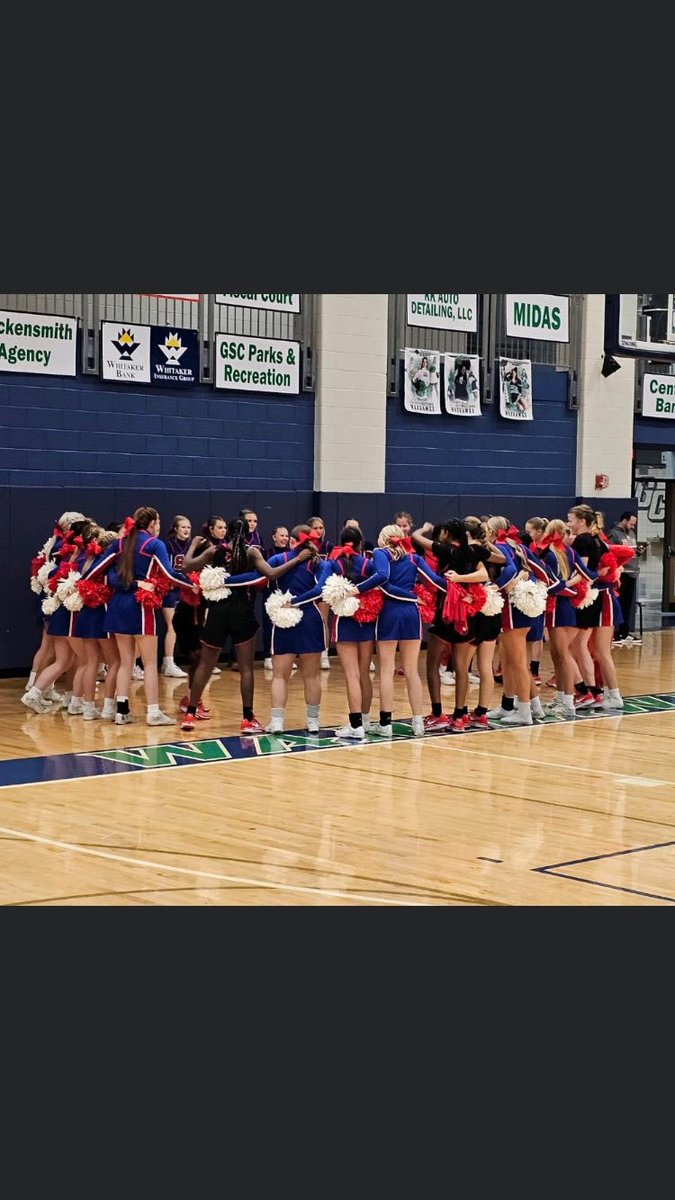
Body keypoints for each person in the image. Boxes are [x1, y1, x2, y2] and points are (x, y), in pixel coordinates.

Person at [180, 519, 311, 735]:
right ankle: (247, 718)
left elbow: (186, 566)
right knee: (246, 668)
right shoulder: (251, 553)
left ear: (228, 533)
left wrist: (193, 544)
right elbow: (271, 574)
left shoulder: (215, 551)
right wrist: (297, 559)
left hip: (217, 612)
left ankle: (190, 714)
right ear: (248, 533)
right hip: (241, 612)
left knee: (205, 664)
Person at [86, 507, 194, 726]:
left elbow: (92, 574)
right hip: (140, 605)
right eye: (159, 523)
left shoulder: (119, 543)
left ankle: (122, 711)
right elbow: (168, 572)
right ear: (153, 523)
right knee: (150, 663)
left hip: (117, 606)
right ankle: (153, 713)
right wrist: (192, 586)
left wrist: (122, 582)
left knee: (126, 662)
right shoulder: (155, 544)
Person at [160, 515, 192, 678]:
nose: (186, 530)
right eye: (183, 527)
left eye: (188, 527)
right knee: (172, 626)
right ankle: (168, 662)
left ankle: (192, 660)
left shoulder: (191, 547)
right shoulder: (167, 546)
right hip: (171, 591)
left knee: (186, 627)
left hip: (186, 590)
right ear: (175, 529)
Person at [608, 511, 643, 645]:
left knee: (628, 605)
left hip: (632, 572)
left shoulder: (632, 534)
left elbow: (631, 551)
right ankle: (616, 633)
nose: (633, 527)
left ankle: (625, 631)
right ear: (624, 521)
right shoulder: (614, 534)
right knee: (619, 604)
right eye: (631, 523)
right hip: (621, 574)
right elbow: (610, 552)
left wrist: (638, 552)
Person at [262, 526, 291, 669]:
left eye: (287, 536)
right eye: (282, 536)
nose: (285, 538)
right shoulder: (266, 554)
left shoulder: (291, 554)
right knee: (269, 625)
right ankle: (268, 656)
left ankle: (285, 655)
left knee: (286, 624)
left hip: (287, 594)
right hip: (271, 593)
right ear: (274, 537)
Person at [308, 517, 333, 668]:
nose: (318, 531)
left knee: (323, 620)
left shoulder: (328, 546)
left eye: (321, 528)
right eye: (315, 528)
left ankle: (324, 654)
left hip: (323, 590)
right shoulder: (306, 546)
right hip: (307, 588)